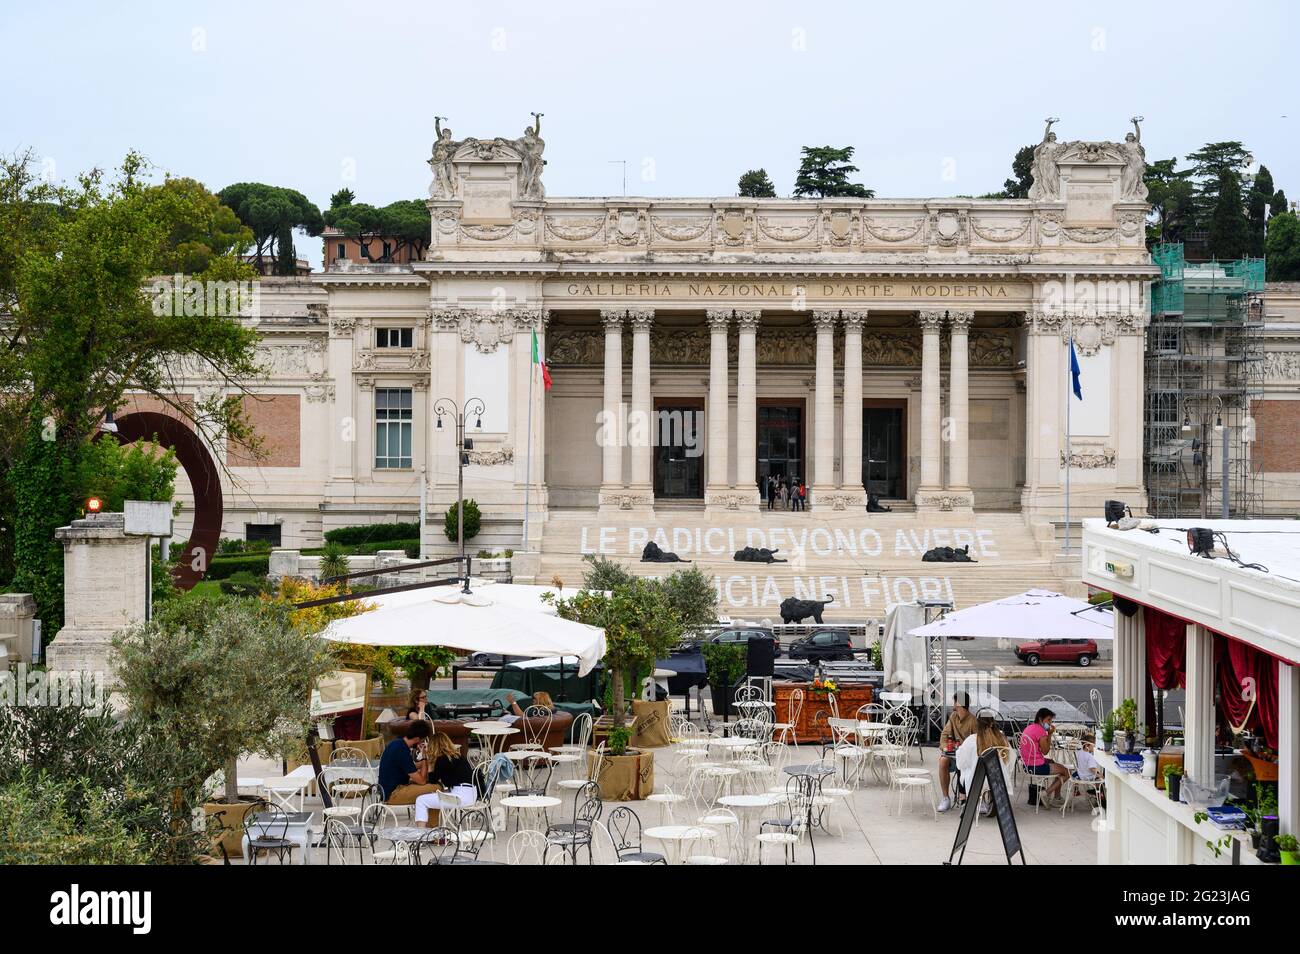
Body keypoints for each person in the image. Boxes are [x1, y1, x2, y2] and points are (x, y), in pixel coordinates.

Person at [413, 731, 478, 825]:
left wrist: (429, 761)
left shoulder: (442, 759)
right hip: (471, 794)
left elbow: (432, 781)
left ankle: (421, 832)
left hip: (459, 797)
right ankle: (432, 827)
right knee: (433, 796)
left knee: (421, 800)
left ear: (434, 746)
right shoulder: (458, 756)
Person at [955, 711, 1012, 815]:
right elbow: (1009, 760)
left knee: (961, 768)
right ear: (993, 723)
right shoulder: (1002, 739)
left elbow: (961, 762)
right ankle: (993, 800)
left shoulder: (972, 740)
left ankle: (965, 801)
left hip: (976, 780)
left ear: (978, 724)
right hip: (997, 778)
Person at [377, 720, 442, 807]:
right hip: (393, 794)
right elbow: (421, 781)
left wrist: (423, 762)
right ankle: (429, 819)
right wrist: (425, 757)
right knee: (437, 788)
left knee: (430, 786)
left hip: (386, 790)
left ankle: (427, 816)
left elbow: (408, 767)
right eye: (423, 740)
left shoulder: (398, 743)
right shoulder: (402, 751)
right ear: (417, 739)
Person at [1019, 707, 1071, 806]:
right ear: (1040, 719)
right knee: (1066, 772)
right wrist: (1049, 734)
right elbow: (1045, 751)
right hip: (1036, 766)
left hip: (1026, 764)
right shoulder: (1040, 731)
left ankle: (1057, 797)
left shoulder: (1029, 727)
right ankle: (1046, 793)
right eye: (1048, 720)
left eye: (1051, 720)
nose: (1050, 723)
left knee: (1054, 763)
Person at [937, 692, 978, 812]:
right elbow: (944, 735)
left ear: (958, 703)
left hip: (968, 759)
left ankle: (964, 798)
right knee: (942, 761)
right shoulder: (953, 717)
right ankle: (945, 798)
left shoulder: (973, 721)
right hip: (953, 754)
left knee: (962, 764)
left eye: (954, 701)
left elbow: (977, 743)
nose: (953, 704)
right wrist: (945, 747)